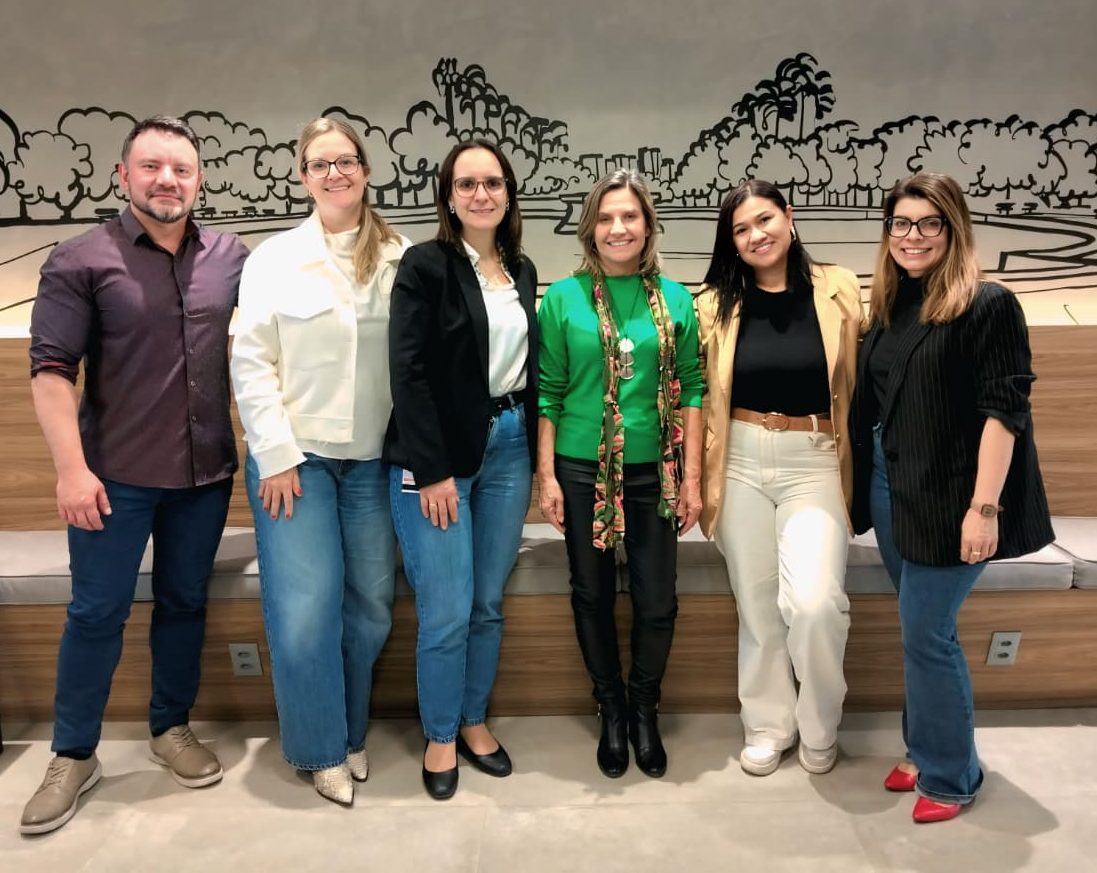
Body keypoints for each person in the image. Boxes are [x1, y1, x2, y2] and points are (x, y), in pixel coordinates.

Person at [21, 116, 249, 834]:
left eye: (181, 169)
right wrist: (70, 471)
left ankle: (170, 727)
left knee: (184, 603)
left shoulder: (231, 257)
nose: (166, 180)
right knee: (96, 613)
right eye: (151, 167)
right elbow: (51, 371)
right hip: (111, 479)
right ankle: (73, 754)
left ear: (199, 180)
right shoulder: (81, 259)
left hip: (205, 477)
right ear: (124, 176)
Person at [850, 172, 1053, 823]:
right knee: (919, 632)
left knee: (927, 632)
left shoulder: (987, 304)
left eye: (928, 222)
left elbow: (1004, 411)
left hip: (954, 498)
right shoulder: (891, 306)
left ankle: (951, 773)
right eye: (900, 223)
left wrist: (983, 508)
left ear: (953, 228)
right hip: (893, 489)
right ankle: (923, 747)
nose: (912, 236)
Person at [230, 117, 410, 804]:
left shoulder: (400, 255)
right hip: (295, 460)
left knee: (371, 606)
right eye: (319, 163)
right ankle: (319, 747)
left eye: (346, 161)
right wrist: (274, 455)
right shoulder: (274, 258)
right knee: (306, 610)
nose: (334, 173)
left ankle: (349, 729)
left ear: (366, 170)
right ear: (304, 177)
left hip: (373, 461)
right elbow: (251, 361)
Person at [384, 139, 538, 801]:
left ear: (508, 193)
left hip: (509, 448)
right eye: (467, 183)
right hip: (439, 460)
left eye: (493, 182)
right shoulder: (425, 265)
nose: (481, 194)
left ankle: (474, 720)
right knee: (446, 608)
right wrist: (433, 469)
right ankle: (441, 734)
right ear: (448, 196)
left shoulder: (521, 268)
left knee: (485, 604)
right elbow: (408, 371)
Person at [537, 170, 703, 779]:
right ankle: (609, 706)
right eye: (606, 218)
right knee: (593, 593)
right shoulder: (563, 298)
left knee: (657, 601)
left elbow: (693, 388)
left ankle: (643, 707)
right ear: (590, 229)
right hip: (583, 467)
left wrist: (692, 479)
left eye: (630, 216)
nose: (618, 228)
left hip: (656, 472)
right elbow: (549, 392)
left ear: (648, 226)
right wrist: (547, 476)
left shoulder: (676, 299)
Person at [694, 180, 861, 778]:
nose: (755, 235)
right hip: (738, 459)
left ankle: (820, 725)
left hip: (814, 459)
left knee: (814, 603)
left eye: (764, 220)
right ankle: (768, 725)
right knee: (759, 607)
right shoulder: (714, 305)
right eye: (740, 229)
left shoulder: (839, 288)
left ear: (789, 218)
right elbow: (693, 394)